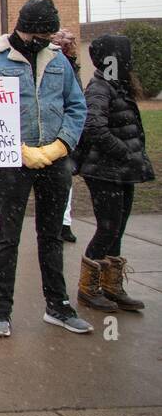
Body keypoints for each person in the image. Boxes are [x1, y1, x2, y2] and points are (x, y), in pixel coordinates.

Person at [0, 0, 88, 337]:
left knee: (51, 235)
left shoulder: (58, 61)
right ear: (26, 29)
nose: (48, 40)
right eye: (43, 34)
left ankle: (58, 305)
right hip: (14, 163)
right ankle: (1, 309)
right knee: (8, 236)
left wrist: (61, 146)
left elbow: (76, 106)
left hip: (54, 161)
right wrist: (17, 149)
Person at [73, 34, 153, 314]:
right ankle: (88, 288)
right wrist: (122, 151)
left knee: (117, 229)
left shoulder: (119, 86)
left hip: (123, 171)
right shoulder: (100, 87)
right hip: (105, 171)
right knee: (107, 228)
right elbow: (94, 126)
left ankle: (112, 285)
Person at [52, 29, 81, 243]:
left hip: (62, 134)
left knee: (65, 182)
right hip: (46, 131)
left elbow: (76, 101)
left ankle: (64, 222)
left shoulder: (69, 67)